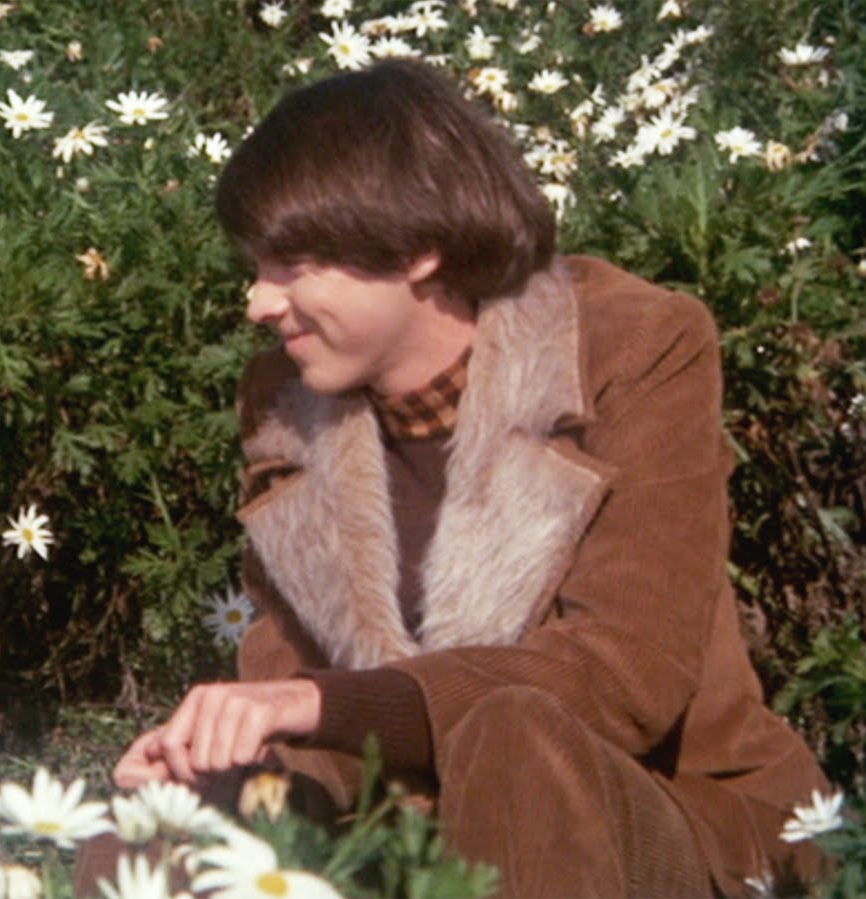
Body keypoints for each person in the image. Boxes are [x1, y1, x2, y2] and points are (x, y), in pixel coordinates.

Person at [112, 59, 829, 897]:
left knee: (515, 738)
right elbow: (309, 717)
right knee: (149, 843)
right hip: (409, 835)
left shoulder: (630, 348)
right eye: (255, 265)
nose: (258, 303)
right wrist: (225, 761)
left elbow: (624, 679)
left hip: (666, 817)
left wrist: (320, 703)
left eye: (292, 262)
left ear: (417, 247)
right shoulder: (284, 401)